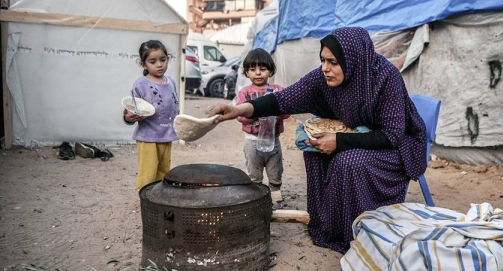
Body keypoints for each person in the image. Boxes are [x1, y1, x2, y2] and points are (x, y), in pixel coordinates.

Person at [209, 27, 427, 254]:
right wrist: (237, 109)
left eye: (333, 62)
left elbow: (392, 134)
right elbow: (282, 99)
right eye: (323, 60)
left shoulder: (385, 77)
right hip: (356, 136)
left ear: (351, 59)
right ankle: (329, 227)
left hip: (397, 146)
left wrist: (339, 141)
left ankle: (359, 232)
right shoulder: (322, 79)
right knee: (314, 151)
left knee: (348, 161)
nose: (325, 68)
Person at [235, 48, 290, 206]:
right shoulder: (245, 93)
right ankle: (257, 202)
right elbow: (239, 116)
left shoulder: (278, 91)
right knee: (254, 174)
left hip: (273, 141)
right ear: (247, 72)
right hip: (252, 142)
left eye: (263, 69)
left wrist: (276, 114)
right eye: (253, 69)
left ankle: (276, 200)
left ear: (271, 71)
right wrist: (256, 113)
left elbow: (287, 111)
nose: (258, 73)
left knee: (275, 172)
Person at [123, 40, 180, 190]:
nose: (159, 65)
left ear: (168, 58)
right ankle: (145, 198)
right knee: (148, 172)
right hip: (148, 137)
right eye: (152, 61)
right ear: (144, 64)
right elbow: (131, 109)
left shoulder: (171, 82)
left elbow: (174, 106)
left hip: (167, 134)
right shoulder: (140, 84)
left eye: (163, 59)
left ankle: (158, 198)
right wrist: (128, 118)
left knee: (163, 170)